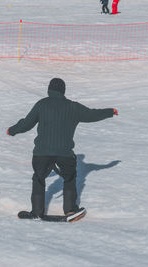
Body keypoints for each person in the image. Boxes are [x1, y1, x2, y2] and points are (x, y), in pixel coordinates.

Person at [7, 78, 118, 220]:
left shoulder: (42, 105)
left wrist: (12, 130)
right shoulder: (72, 107)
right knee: (69, 178)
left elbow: (27, 123)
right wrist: (110, 111)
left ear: (49, 90)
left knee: (39, 178)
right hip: (65, 154)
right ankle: (70, 211)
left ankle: (36, 212)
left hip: (41, 154)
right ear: (63, 91)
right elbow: (92, 114)